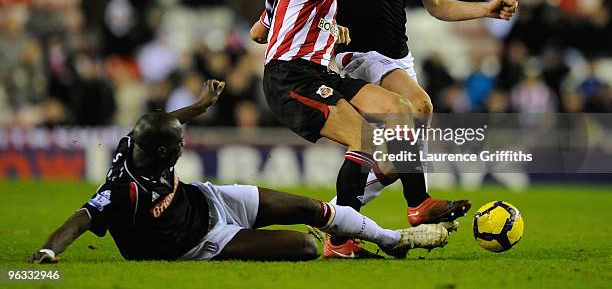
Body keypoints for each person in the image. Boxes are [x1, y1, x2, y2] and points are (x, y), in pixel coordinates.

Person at [29, 79, 452, 263]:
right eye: (178, 147)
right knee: (305, 248)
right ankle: (367, 239)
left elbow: (168, 121)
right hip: (198, 242)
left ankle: (394, 239)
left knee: (311, 207)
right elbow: (79, 220)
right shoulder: (124, 190)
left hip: (207, 199)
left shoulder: (135, 142)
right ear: (159, 154)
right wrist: (48, 252)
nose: (183, 145)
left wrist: (199, 105)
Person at [249, 0, 470, 258]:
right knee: (362, 138)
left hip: (319, 73)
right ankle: (340, 241)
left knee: (399, 109)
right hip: (291, 77)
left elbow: (258, 32)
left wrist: (325, 29)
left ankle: (418, 203)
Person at [329, 0, 518, 251]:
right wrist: (330, 26)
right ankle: (418, 204)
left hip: (399, 58)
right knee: (419, 106)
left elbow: (438, 7)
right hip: (358, 56)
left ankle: (338, 224)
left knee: (396, 158)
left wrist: (487, 9)